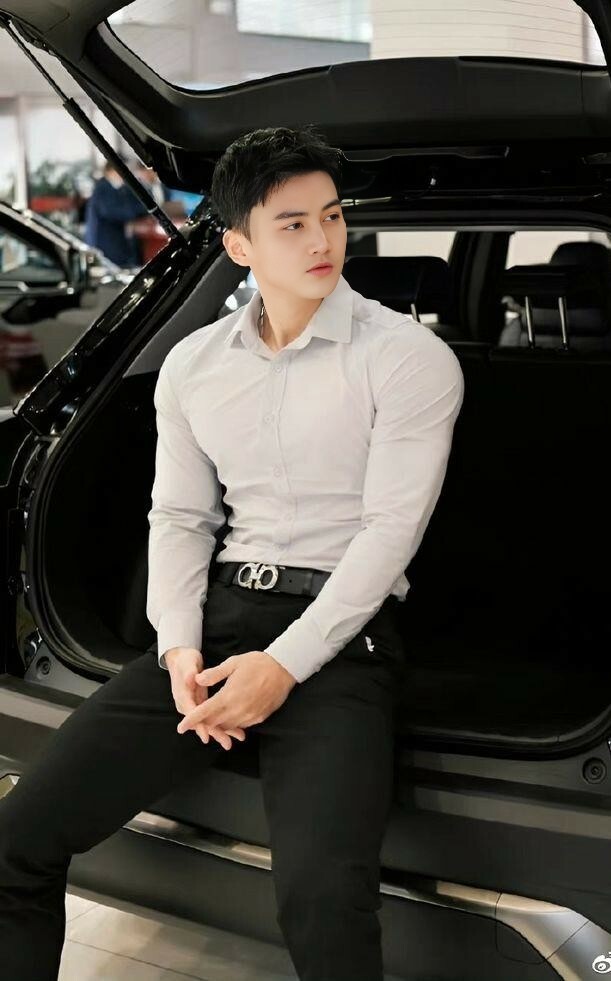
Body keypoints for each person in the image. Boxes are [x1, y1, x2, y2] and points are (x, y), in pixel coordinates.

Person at [0, 124, 464, 980]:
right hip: (215, 623)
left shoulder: (408, 359)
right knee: (15, 842)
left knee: (322, 903)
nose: (322, 240)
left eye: (331, 216)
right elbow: (179, 515)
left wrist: (280, 667)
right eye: (292, 224)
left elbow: (388, 534)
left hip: (342, 638)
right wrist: (178, 647)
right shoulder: (193, 365)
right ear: (238, 245)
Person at [84, 158, 149, 266]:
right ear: (110, 171)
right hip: (105, 245)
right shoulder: (103, 188)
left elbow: (138, 205)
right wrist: (135, 212)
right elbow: (113, 212)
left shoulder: (118, 188)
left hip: (116, 244)